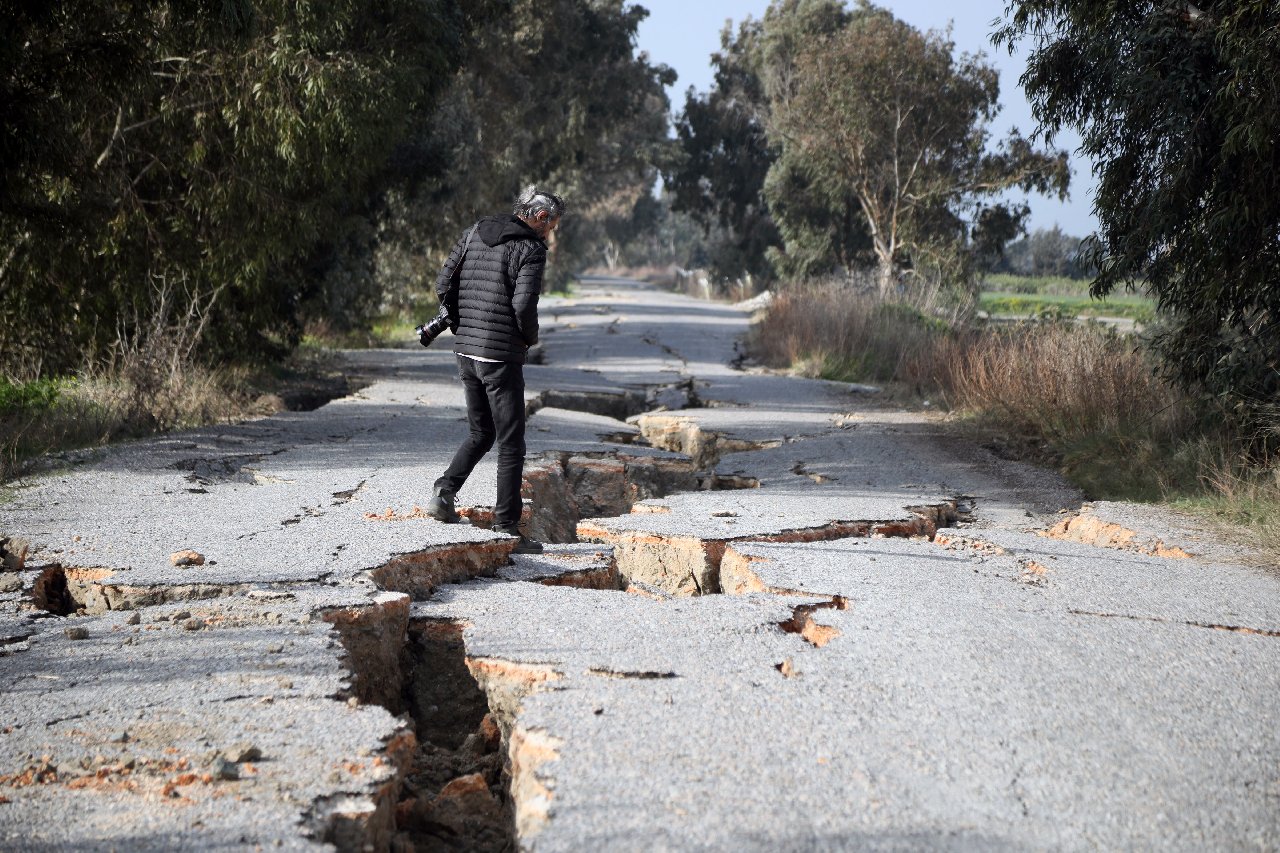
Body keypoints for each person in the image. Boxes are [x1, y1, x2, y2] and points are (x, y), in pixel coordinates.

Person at [425, 185, 565, 554]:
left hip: (466, 351)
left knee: (481, 432)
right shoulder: (531, 250)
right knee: (511, 444)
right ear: (539, 217)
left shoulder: (475, 231)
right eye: (552, 224)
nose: (551, 232)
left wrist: (464, 321)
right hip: (500, 356)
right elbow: (523, 308)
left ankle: (444, 491)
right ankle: (505, 527)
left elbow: (443, 284)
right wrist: (528, 339)